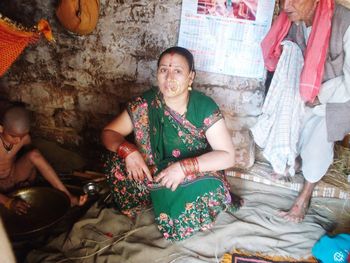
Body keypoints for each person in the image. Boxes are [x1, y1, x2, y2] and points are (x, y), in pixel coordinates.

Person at [102, 46, 241, 241]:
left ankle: (170, 200)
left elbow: (227, 156)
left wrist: (184, 168)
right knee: (114, 160)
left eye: (177, 71)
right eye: (163, 70)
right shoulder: (145, 103)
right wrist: (128, 151)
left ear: (190, 77)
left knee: (209, 188)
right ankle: (155, 198)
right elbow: (109, 133)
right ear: (157, 73)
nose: (169, 78)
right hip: (152, 171)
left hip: (192, 173)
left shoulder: (204, 107)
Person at [257, 0, 350, 222]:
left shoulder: (346, 22)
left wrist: (320, 96)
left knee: (316, 150)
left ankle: (305, 194)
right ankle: (293, 159)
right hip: (304, 96)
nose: (286, 5)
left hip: (337, 101)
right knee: (284, 128)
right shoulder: (293, 22)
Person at [0, 106, 87, 215]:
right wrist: (8, 202)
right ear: (1, 128)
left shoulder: (25, 139)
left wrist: (31, 181)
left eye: (21, 136)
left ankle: (68, 197)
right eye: (13, 136)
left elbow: (30, 159)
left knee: (34, 154)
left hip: (14, 176)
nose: (18, 140)